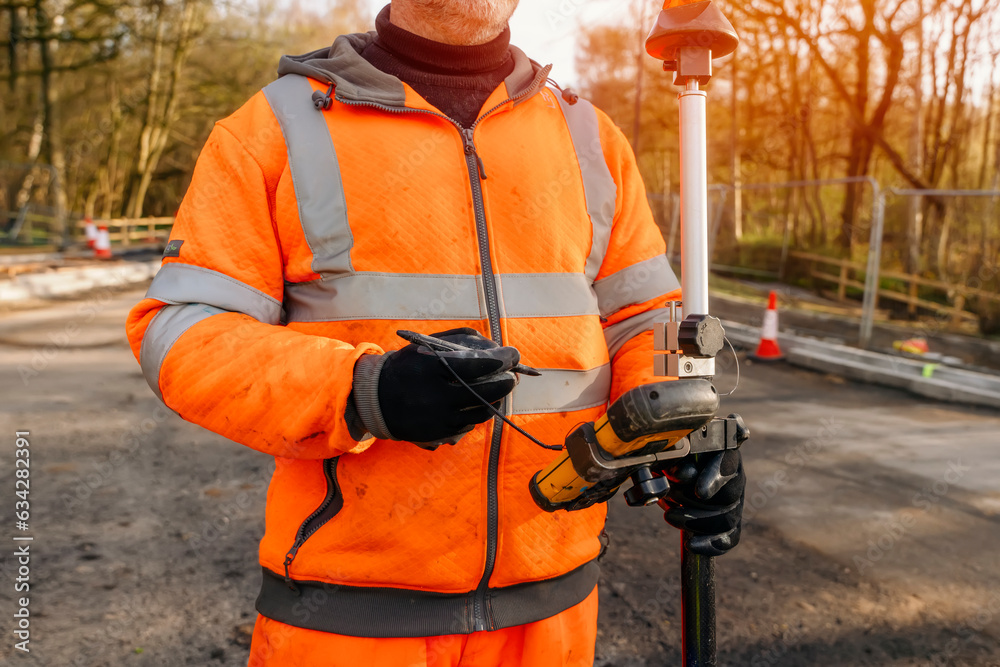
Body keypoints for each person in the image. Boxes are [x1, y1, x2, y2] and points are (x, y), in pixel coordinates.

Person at [125, 1, 746, 665]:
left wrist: (680, 433)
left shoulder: (588, 138)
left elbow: (646, 320)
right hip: (347, 623)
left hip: (553, 613)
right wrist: (364, 391)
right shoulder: (276, 128)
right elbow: (182, 333)